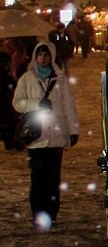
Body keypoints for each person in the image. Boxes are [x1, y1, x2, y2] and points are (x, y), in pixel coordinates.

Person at [12, 43, 80, 227]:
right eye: (40, 55)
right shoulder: (27, 78)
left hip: (56, 135)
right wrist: (36, 104)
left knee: (53, 178)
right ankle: (38, 213)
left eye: (46, 55)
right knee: (37, 178)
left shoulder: (60, 79)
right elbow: (17, 103)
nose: (43, 58)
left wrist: (73, 130)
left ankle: (51, 213)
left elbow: (69, 105)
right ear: (35, 57)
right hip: (36, 137)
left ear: (51, 57)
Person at [0, 52, 17, 150]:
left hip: (5, 106)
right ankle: (10, 143)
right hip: (7, 106)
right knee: (8, 125)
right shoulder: (7, 77)